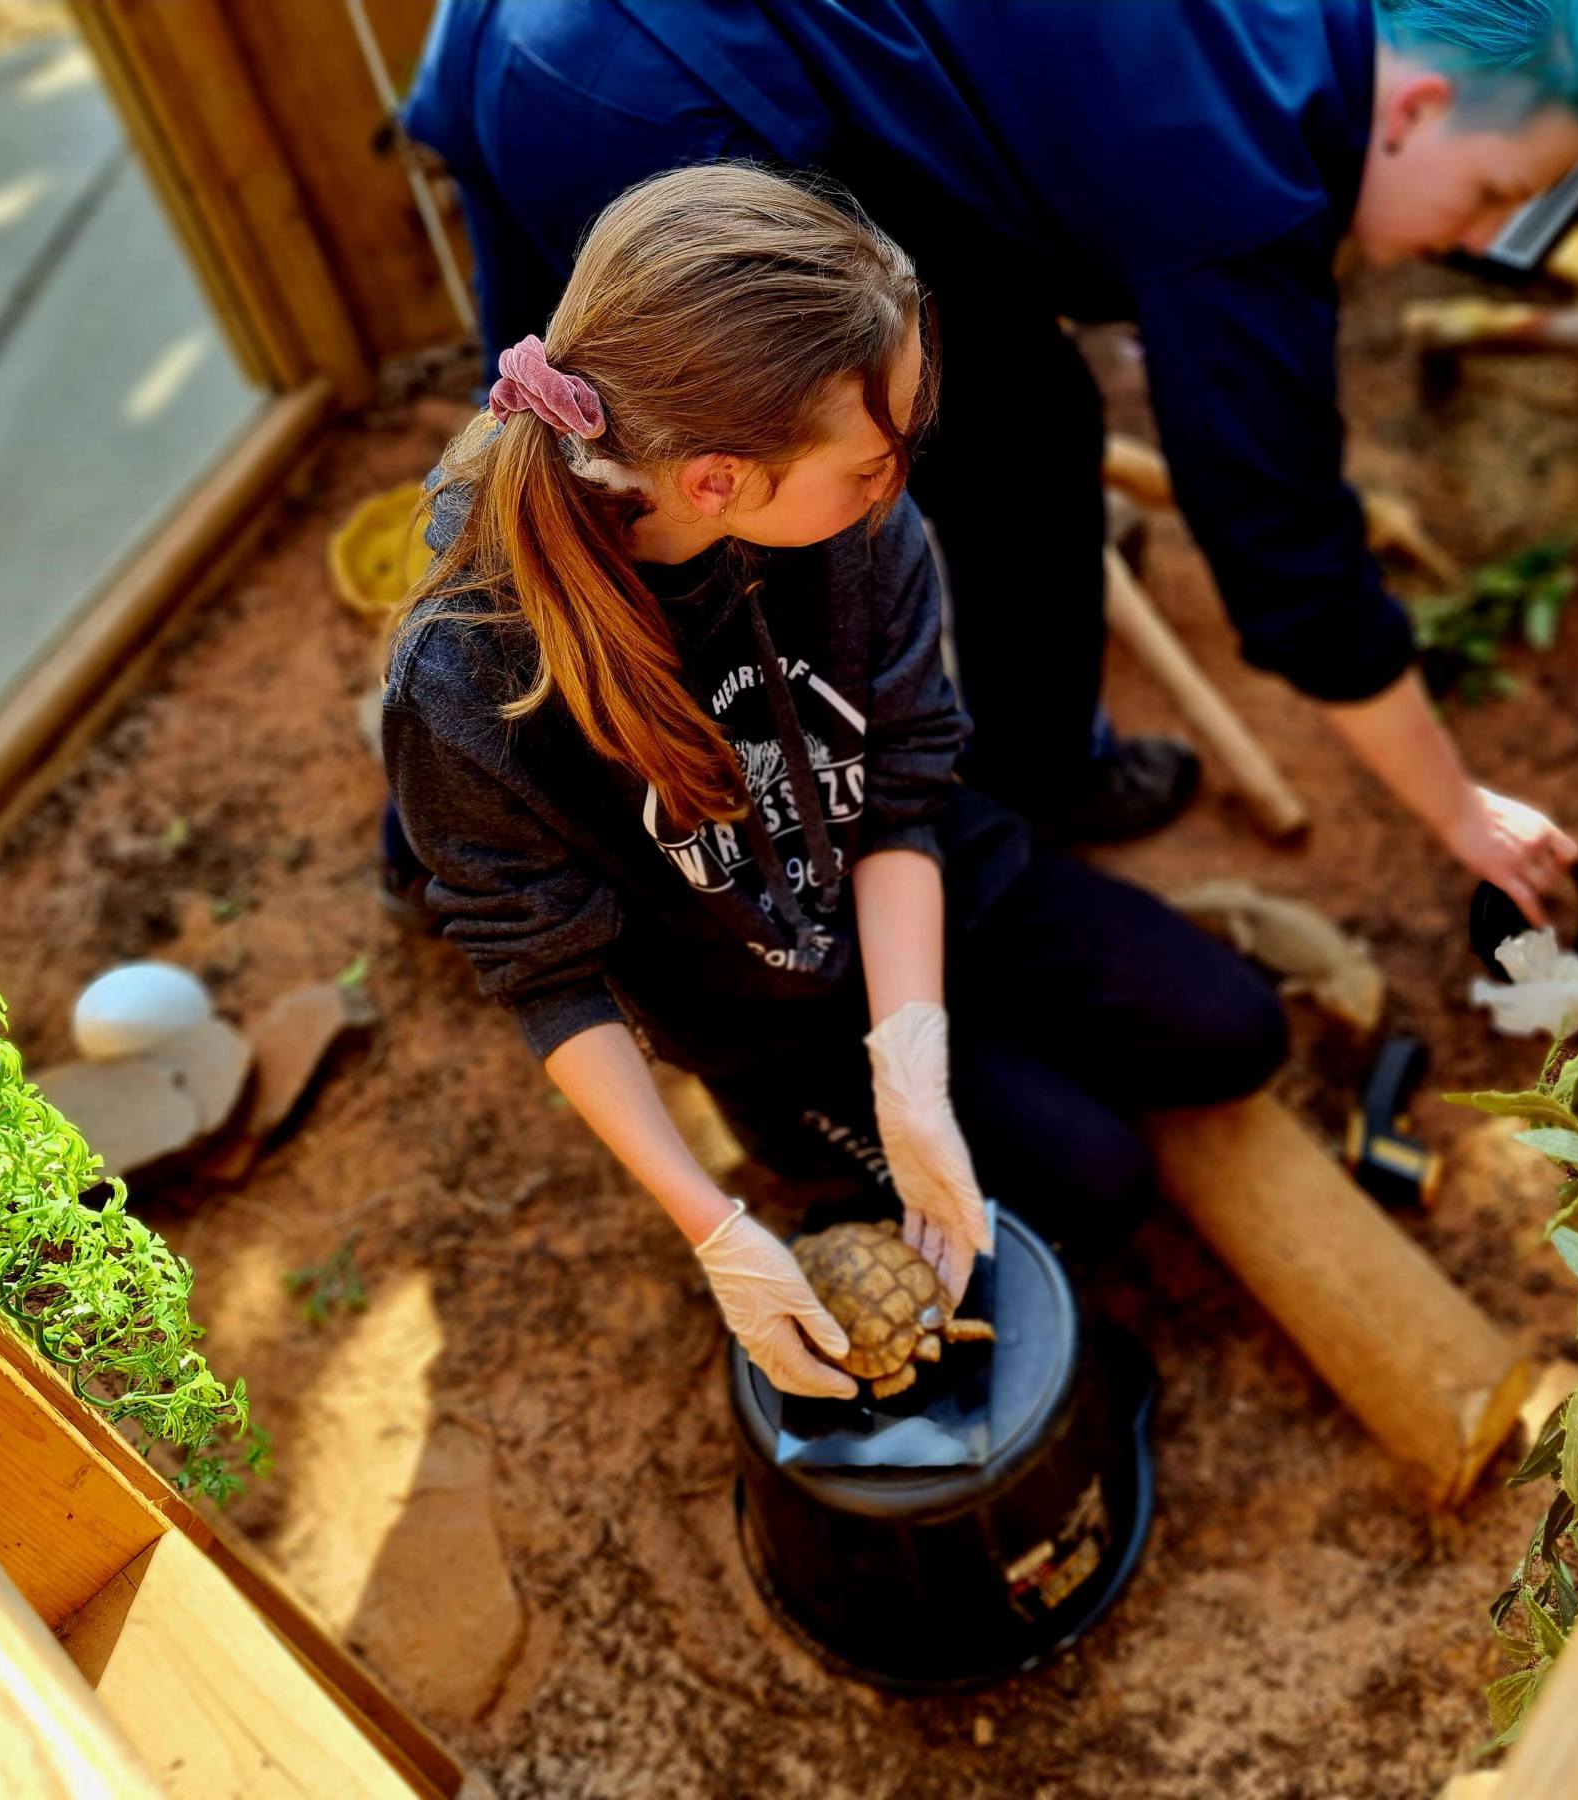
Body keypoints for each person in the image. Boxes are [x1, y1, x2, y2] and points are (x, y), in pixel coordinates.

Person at [399, 0, 1578, 912]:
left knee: (1011, 421)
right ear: (1420, 108)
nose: (1478, 232)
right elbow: (1284, 548)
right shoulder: (1256, 161)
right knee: (666, 488)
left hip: (549, 38)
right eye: (1494, 190)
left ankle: (1039, 766)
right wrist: (1457, 808)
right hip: (658, 95)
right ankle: (502, 834)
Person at [384, 166, 1289, 1397]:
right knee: (1102, 1187)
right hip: (770, 1015)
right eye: (871, 460)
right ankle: (903, 1110)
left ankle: (960, 1055)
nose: (897, 484)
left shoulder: (853, 525)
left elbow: (907, 776)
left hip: (924, 881)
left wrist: (910, 1057)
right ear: (716, 483)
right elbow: (543, 971)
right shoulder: (468, 677)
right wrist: (714, 1222)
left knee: (1238, 1033)